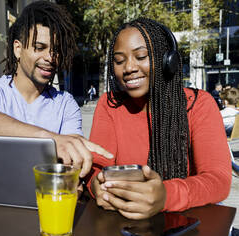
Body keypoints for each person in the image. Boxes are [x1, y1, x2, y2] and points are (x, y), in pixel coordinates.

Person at [87, 18, 231, 221]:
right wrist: (96, 185)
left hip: (189, 225)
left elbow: (218, 181)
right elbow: (97, 169)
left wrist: (165, 195)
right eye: (119, 61)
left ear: (167, 59)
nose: (129, 68)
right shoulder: (109, 104)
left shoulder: (199, 104)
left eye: (141, 56)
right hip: (123, 225)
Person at [0, 1, 113, 179]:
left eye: (56, 51)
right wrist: (51, 139)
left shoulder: (65, 103)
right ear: (18, 49)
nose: (50, 58)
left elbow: (70, 158)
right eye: (39, 48)